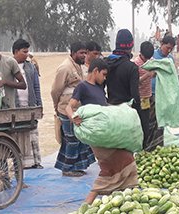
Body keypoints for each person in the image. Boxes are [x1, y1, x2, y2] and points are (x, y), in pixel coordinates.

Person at [67, 58, 139, 204]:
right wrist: (73, 117)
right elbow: (69, 106)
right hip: (98, 138)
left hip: (107, 135)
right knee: (110, 168)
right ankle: (87, 205)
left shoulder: (99, 88)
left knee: (125, 160)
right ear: (95, 71)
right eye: (104, 74)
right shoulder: (82, 87)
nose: (105, 78)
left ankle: (123, 199)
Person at [52, 41, 95, 176]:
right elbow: (55, 90)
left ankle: (76, 166)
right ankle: (67, 169)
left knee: (78, 138)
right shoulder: (65, 68)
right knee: (71, 139)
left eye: (85, 53)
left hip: (78, 109)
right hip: (66, 109)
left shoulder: (78, 67)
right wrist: (57, 107)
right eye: (81, 53)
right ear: (73, 53)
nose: (84, 56)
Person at [12, 39, 44, 169]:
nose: (27, 54)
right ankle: (22, 164)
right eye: (24, 52)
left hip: (30, 105)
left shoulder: (30, 66)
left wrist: (39, 105)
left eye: (27, 51)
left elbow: (36, 86)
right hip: (16, 106)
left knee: (33, 135)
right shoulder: (9, 65)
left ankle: (36, 162)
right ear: (15, 52)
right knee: (19, 136)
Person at [105, 29, 141, 110]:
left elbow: (99, 90)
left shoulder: (106, 64)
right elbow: (135, 96)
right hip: (127, 111)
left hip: (110, 109)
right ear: (130, 46)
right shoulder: (132, 68)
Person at [133, 41, 156, 150]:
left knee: (146, 124)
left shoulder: (151, 61)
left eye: (149, 58)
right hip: (139, 98)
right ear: (140, 53)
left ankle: (145, 146)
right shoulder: (136, 64)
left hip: (147, 97)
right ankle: (138, 147)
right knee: (139, 125)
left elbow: (154, 74)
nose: (147, 60)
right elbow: (135, 81)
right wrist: (148, 75)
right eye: (145, 57)